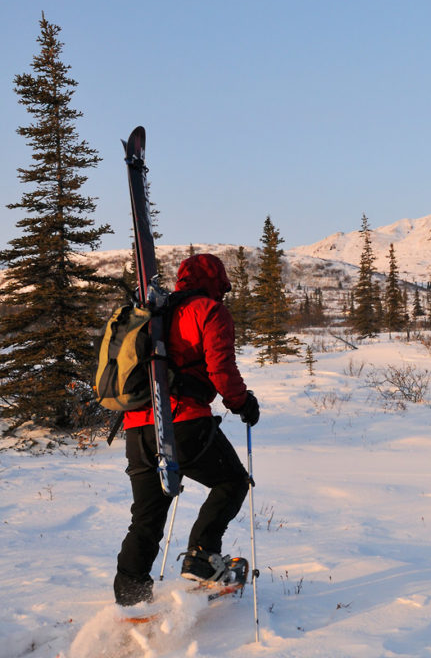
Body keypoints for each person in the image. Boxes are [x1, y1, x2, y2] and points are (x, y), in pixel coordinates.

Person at [113, 253, 260, 607]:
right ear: (217, 280)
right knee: (232, 482)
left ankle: (131, 597)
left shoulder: (156, 310)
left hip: (138, 428)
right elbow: (220, 368)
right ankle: (202, 558)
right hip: (183, 422)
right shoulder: (208, 310)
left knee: (147, 517)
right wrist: (242, 402)